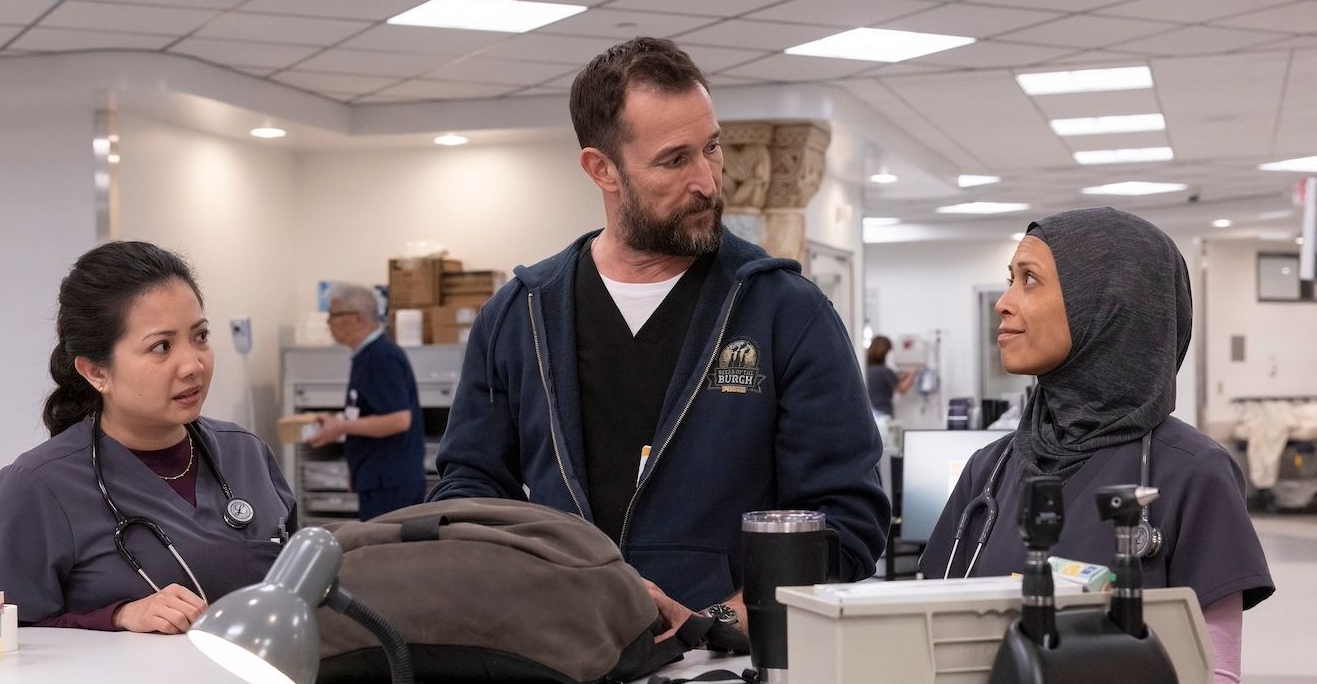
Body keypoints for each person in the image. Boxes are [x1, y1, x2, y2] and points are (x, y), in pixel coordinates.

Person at [428, 37, 890, 634]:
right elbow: (469, 490)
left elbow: (843, 519)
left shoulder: (784, 312)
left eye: (713, 148)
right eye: (675, 160)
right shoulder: (521, 315)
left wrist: (717, 622)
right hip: (559, 648)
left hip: (727, 666)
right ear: (602, 169)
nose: (707, 181)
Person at [919, 208, 1273, 684]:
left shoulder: (1194, 473)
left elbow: (1214, 682)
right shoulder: (990, 469)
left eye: (1029, 280)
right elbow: (930, 642)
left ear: (1107, 304)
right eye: (1010, 280)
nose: (1002, 303)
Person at [0, 241, 296, 633]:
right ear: (96, 372)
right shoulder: (37, 486)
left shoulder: (246, 452)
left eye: (200, 336)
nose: (193, 364)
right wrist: (118, 617)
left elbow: (298, 587)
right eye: (161, 347)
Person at [309, 283, 425, 520]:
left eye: (333, 315)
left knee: (386, 554)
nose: (328, 323)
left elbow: (398, 420)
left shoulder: (382, 356)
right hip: (377, 479)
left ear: (358, 318)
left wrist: (341, 427)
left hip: (391, 483)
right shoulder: (366, 356)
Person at [865, 335, 916, 418]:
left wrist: (905, 375)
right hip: (884, 413)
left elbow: (891, 380)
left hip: (870, 412)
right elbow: (902, 389)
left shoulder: (866, 369)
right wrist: (913, 373)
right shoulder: (885, 371)